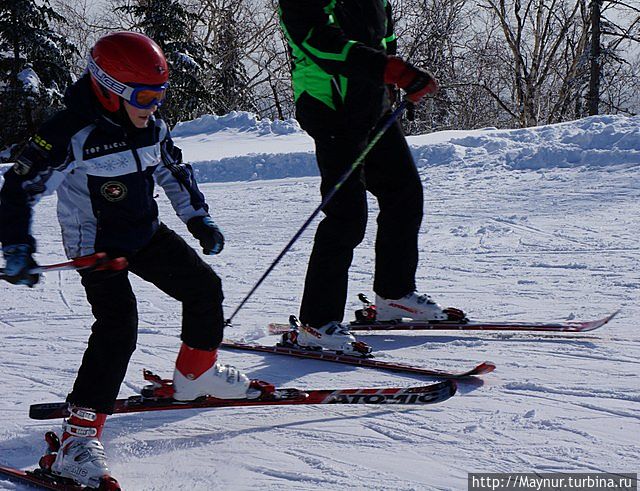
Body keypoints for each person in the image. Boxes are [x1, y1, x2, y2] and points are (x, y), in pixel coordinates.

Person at [0, 32, 256, 488]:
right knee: (119, 327)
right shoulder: (68, 133)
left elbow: (173, 170)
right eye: (145, 95)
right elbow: (19, 190)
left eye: (161, 94)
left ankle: (195, 375)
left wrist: (199, 219)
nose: (154, 105)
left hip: (144, 233)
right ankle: (76, 442)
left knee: (204, 288)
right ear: (109, 86)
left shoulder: (150, 125)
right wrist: (17, 246)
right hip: (96, 246)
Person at [278, 0, 454, 353]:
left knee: (404, 193)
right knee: (347, 217)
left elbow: (383, 33)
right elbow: (322, 45)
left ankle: (394, 294)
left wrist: (391, 81)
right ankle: (316, 323)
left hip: (371, 104)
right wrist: (392, 70)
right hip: (329, 107)